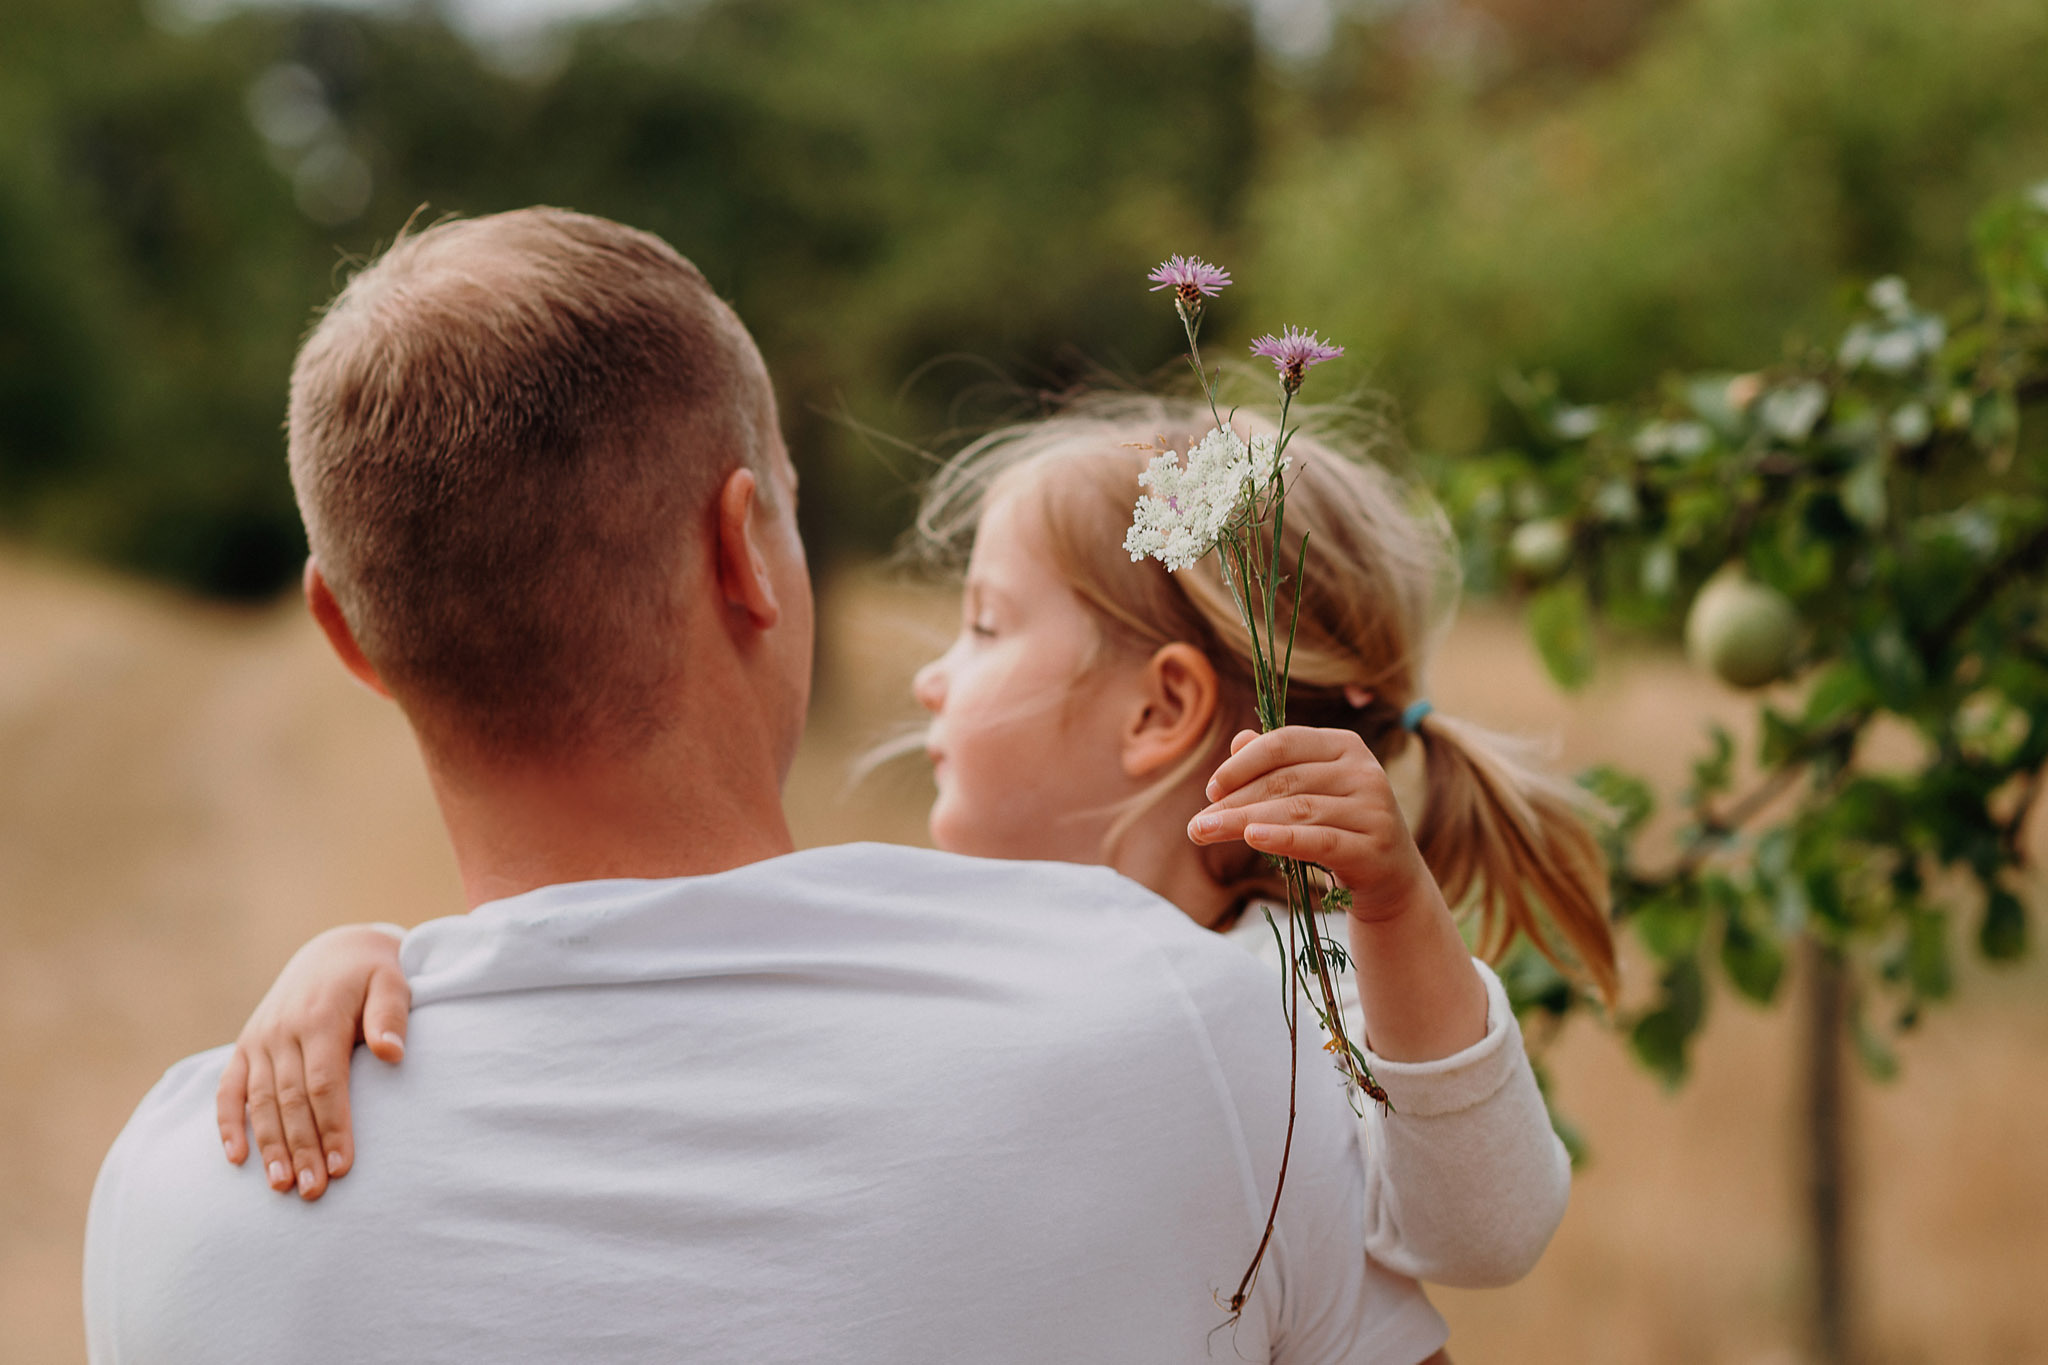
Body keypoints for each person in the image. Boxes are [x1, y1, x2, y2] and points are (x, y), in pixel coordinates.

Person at [84, 206, 1506, 1365]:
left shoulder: (181, 1203)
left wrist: (379, 954)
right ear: (745, 549)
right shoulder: (1211, 1044)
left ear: (348, 634)